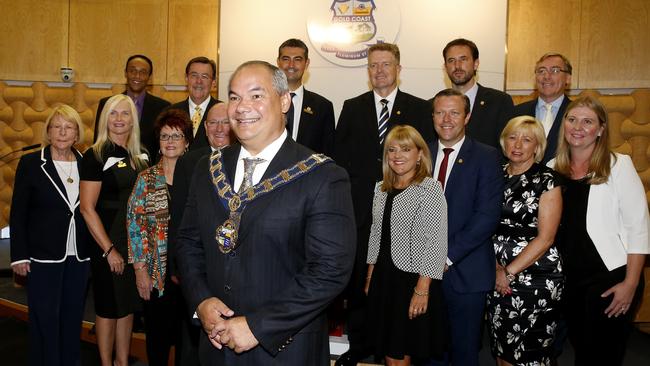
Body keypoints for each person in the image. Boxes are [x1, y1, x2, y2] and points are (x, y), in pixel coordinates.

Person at [175, 60, 355, 365]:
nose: (242, 107)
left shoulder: (322, 175)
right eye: (234, 97)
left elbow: (329, 271)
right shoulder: (206, 168)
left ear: (284, 101)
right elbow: (188, 242)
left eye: (256, 95)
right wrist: (201, 300)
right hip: (215, 347)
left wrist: (258, 326)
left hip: (286, 349)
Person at [334, 42, 435, 366]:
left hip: (406, 213)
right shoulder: (352, 106)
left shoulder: (419, 107)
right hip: (363, 214)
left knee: (398, 290)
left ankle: (399, 348)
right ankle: (361, 345)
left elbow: (423, 156)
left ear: (398, 69)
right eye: (373, 65)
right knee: (362, 285)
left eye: (386, 64)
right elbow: (340, 161)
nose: (379, 71)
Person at [551, 96, 650, 365]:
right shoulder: (551, 170)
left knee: (603, 355)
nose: (578, 127)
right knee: (581, 349)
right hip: (570, 281)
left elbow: (638, 228)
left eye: (588, 121)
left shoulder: (619, 164)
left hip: (611, 278)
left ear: (601, 129)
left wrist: (630, 284)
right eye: (572, 119)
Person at [425, 88, 503, 366]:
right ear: (432, 115)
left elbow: (487, 216)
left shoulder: (487, 156)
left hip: (465, 272)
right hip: (422, 276)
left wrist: (445, 256)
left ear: (467, 117)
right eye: (440, 112)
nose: (446, 119)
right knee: (429, 350)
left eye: (454, 112)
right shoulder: (420, 153)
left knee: (463, 353)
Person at [10, 105, 90, 366]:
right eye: (57, 126)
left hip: (79, 256)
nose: (62, 132)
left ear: (77, 133)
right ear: (48, 131)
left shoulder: (86, 163)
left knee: (71, 316)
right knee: (44, 317)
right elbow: (18, 212)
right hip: (43, 256)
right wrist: (19, 255)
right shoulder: (32, 163)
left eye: (69, 127)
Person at [365, 125, 448, 365]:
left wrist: (422, 290)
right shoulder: (380, 189)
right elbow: (375, 234)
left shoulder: (429, 188)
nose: (397, 155)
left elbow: (436, 240)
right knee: (389, 354)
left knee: (400, 354)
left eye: (405, 149)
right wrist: (370, 278)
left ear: (420, 154)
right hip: (383, 280)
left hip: (411, 282)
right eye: (391, 150)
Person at [486, 116, 563, 365]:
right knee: (502, 349)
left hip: (536, 276)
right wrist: (496, 268)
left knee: (530, 354)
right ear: (503, 141)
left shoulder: (547, 179)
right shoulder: (492, 174)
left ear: (537, 146)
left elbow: (546, 238)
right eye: (512, 137)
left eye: (526, 139)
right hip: (493, 269)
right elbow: (480, 224)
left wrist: (508, 272)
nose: (517, 144)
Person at [80, 94, 148, 366]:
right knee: (109, 307)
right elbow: (87, 208)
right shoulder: (95, 155)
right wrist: (109, 250)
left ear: (134, 119)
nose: (119, 119)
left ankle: (122, 361)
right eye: (113, 113)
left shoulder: (142, 155)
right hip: (106, 242)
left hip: (134, 243)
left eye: (125, 113)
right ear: (105, 119)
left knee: (128, 306)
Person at [168, 102, 232, 366]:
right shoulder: (190, 161)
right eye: (213, 123)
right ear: (204, 128)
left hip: (230, 264)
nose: (219, 128)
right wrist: (178, 265)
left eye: (225, 122)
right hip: (196, 263)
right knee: (192, 334)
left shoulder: (245, 159)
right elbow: (179, 217)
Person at [126, 109, 192, 366]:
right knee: (158, 338)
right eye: (165, 136)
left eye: (177, 136)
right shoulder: (146, 178)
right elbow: (135, 224)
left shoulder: (198, 176)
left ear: (187, 141)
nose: (171, 141)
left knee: (188, 340)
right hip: (156, 273)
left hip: (190, 271)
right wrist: (140, 270)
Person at [94, 54, 171, 163]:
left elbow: (164, 144)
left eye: (143, 72)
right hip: (111, 168)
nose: (137, 76)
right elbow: (99, 140)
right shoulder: (107, 104)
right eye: (132, 71)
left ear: (149, 77)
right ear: (125, 73)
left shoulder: (163, 108)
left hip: (149, 169)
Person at [440, 38, 514, 149]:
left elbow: (508, 146)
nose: (457, 66)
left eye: (463, 59)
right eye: (451, 60)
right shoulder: (434, 106)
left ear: (476, 64)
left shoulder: (500, 102)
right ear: (445, 67)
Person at [276, 38, 335, 154]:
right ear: (278, 62)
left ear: (306, 63)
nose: (291, 65)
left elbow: (327, 153)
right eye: (286, 59)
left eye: (297, 59)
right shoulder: (264, 102)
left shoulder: (323, 107)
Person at [513, 53, 573, 164]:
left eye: (555, 71)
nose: (546, 76)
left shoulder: (578, 114)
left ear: (568, 78)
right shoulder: (517, 113)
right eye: (541, 71)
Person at [168, 56, 220, 150]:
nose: (198, 81)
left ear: (213, 82)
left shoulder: (223, 112)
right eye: (194, 75)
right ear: (186, 79)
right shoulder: (170, 112)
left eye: (204, 76)